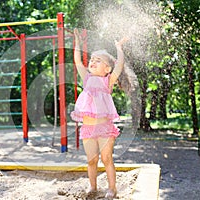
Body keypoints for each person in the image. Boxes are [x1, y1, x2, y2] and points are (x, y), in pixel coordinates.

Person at [70, 29, 128, 199]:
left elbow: (119, 65)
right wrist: (78, 43)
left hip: (104, 128)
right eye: (92, 60)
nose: (93, 62)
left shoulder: (107, 80)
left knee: (107, 158)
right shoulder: (86, 78)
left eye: (98, 60)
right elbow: (78, 61)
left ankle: (112, 188)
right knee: (91, 160)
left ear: (107, 68)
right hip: (88, 129)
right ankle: (93, 187)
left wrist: (119, 48)